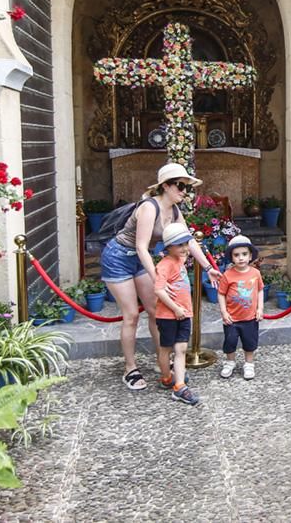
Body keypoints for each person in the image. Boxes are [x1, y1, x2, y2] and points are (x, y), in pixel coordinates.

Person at [99, 162, 222, 391]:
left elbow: (188, 240)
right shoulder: (149, 207)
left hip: (139, 260)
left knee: (157, 311)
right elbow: (142, 247)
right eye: (180, 186)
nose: (184, 191)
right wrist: (158, 277)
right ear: (165, 186)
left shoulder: (174, 210)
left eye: (187, 187)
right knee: (131, 315)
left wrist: (207, 267)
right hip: (119, 257)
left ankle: (162, 361)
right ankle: (130, 368)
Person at [151, 221, 200, 405]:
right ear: (168, 246)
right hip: (168, 316)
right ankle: (166, 377)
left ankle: (179, 386)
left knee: (181, 349)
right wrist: (175, 308)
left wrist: (183, 310)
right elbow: (159, 290)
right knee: (166, 349)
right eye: (179, 245)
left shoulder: (180, 260)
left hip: (184, 313)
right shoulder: (164, 265)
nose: (184, 248)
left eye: (186, 244)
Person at [216, 235, 265, 380]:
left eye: (244, 254)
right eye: (236, 255)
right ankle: (230, 362)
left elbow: (260, 290)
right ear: (231, 257)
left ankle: (249, 364)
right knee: (230, 341)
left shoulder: (255, 273)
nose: (241, 258)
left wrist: (260, 308)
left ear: (250, 256)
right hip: (232, 318)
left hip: (250, 317)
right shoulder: (228, 275)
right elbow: (221, 293)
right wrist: (224, 312)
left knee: (250, 342)